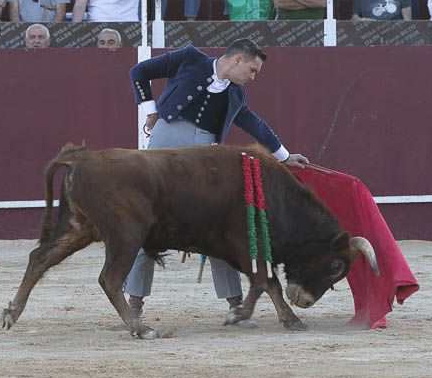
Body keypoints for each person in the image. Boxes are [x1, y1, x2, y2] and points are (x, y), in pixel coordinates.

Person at [125, 39, 309, 327]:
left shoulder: (236, 94)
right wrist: (150, 110)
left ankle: (235, 306)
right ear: (237, 60)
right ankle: (133, 303)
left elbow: (254, 123)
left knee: (217, 226)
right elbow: (138, 71)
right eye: (252, 70)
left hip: (204, 155)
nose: (253, 77)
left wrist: (284, 157)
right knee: (149, 223)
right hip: (166, 143)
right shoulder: (189, 58)